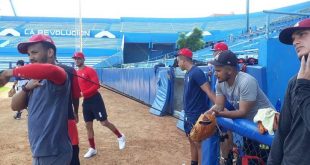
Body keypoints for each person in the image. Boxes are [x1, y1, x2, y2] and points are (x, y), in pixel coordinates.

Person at [0, 34, 72, 164]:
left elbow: (52, 70)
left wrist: (8, 73)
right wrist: (26, 88)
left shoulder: (58, 75)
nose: (31, 57)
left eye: (34, 52)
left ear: (50, 52)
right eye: (28, 54)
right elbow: (15, 106)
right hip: (41, 152)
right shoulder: (35, 79)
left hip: (53, 153)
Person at [207, 50, 274, 164]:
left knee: (264, 160)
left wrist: (218, 114)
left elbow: (242, 112)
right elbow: (219, 106)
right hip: (250, 127)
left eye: (218, 70)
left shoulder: (246, 81)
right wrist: (208, 113)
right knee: (250, 158)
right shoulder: (220, 83)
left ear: (230, 70)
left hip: (267, 128)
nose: (215, 73)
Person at [268, 18, 310, 165]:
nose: (295, 42)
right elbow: (283, 131)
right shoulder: (295, 82)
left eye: (302, 34)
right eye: (293, 38)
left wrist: (304, 87)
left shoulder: (301, 83)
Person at [72, 52, 126, 158]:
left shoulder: (90, 70)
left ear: (83, 59)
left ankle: (120, 136)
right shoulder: (77, 73)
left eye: (78, 58)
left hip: (95, 99)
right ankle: (92, 148)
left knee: (104, 122)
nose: (77, 60)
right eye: (75, 59)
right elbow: (79, 88)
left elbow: (96, 85)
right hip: (86, 102)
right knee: (88, 125)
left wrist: (83, 93)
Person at [176, 48, 215, 165]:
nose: (177, 63)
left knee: (198, 143)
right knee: (191, 140)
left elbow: (208, 91)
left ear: (183, 60)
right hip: (189, 114)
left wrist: (219, 106)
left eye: (178, 60)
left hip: (196, 114)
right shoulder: (188, 73)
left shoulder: (196, 72)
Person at [57, 63, 81, 165]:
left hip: (46, 120)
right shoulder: (70, 70)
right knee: (73, 149)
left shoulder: (36, 70)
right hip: (67, 115)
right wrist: (75, 111)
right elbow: (76, 95)